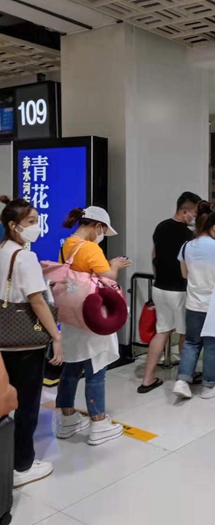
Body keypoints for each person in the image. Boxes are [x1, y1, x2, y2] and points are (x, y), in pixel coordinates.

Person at [54, 206, 131, 446]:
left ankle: (67, 419)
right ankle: (98, 422)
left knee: (71, 367)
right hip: (91, 316)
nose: (101, 236)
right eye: (103, 231)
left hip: (71, 316)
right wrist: (115, 265)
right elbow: (108, 277)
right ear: (97, 226)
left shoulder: (67, 245)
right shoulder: (90, 248)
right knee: (96, 369)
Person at [0, 197, 63, 486]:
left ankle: (7, 461)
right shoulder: (24, 257)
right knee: (27, 404)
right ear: (14, 225)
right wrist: (56, 336)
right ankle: (22, 465)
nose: (36, 227)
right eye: (31, 222)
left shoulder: (3, 250)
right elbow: (36, 300)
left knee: (5, 401)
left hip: (4, 338)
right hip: (25, 344)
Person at [139, 191, 202, 393]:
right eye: (194, 214)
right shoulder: (188, 236)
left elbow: (154, 256)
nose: (194, 218)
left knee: (162, 331)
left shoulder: (161, 227)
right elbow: (190, 266)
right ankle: (186, 375)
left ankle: (147, 379)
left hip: (159, 288)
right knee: (185, 335)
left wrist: (159, 278)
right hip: (179, 291)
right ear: (185, 211)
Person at [173, 201, 215, 399]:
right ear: (214, 227)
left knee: (191, 343)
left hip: (193, 304)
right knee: (212, 345)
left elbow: (184, 274)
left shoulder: (186, 247)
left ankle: (183, 381)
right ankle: (209, 385)